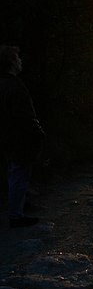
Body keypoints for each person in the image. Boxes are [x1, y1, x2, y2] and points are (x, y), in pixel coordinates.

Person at [0, 45, 44, 228]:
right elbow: (24, 115)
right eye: (18, 59)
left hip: (6, 137)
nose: (21, 61)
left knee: (12, 173)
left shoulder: (3, 84)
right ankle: (16, 215)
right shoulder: (15, 86)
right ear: (11, 63)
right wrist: (37, 132)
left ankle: (17, 204)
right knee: (20, 173)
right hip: (18, 137)